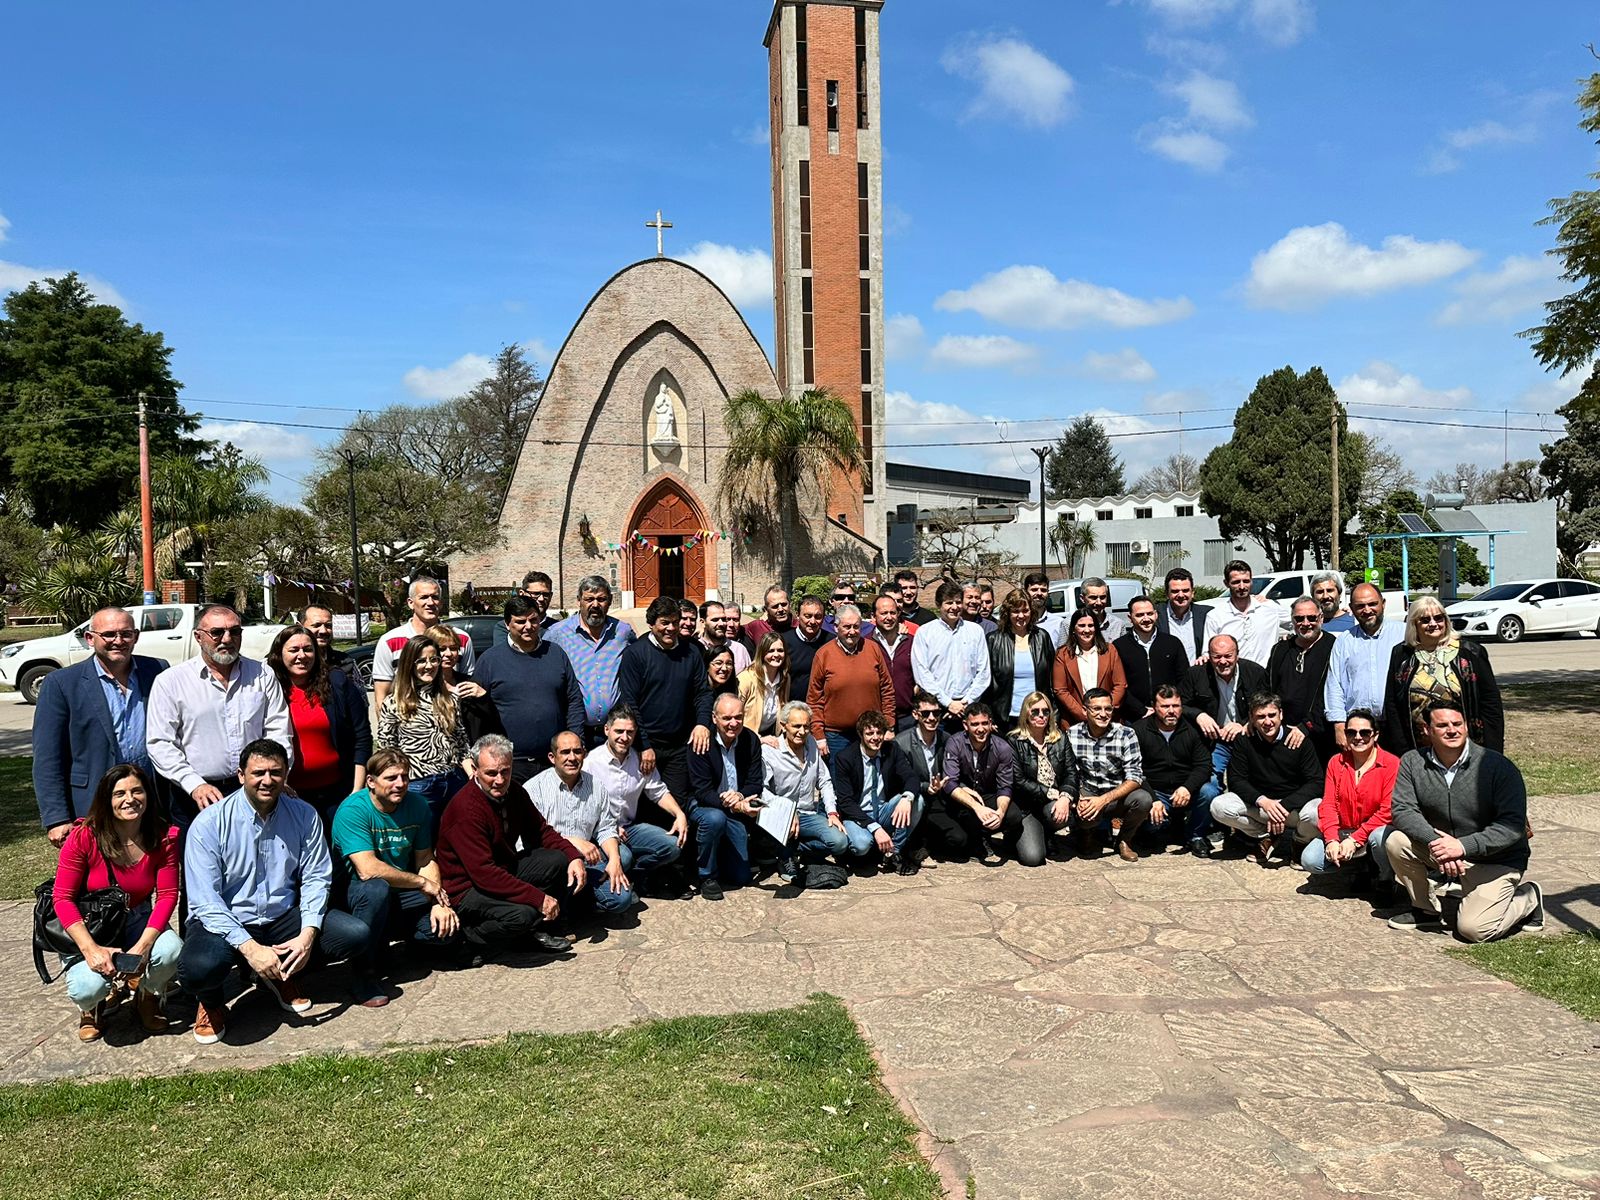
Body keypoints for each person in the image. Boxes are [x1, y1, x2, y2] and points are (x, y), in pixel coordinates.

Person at [179, 739, 369, 1044]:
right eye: (258, 773)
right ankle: (211, 1001)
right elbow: (205, 902)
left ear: (286, 773)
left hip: (281, 916)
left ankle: (282, 975)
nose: (267, 780)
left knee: (353, 934)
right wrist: (250, 949)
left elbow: (316, 878)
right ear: (241, 775)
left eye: (276, 772)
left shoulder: (304, 815)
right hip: (227, 920)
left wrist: (307, 935)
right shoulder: (209, 823)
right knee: (199, 968)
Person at [1385, 702, 1543, 940]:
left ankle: (1528, 897)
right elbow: (1403, 810)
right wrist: (1437, 844)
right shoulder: (1412, 762)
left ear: (1467, 727)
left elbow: (1511, 826)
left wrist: (1461, 846)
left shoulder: (1498, 767)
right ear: (1427, 730)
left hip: (1495, 860)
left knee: (1474, 930)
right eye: (1442, 725)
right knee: (1396, 840)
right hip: (1443, 850)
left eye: (1457, 724)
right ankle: (1425, 909)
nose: (1452, 730)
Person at [52, 765, 180, 1041]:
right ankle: (91, 1007)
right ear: (106, 800)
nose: (129, 799)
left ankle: (146, 996)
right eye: (119, 793)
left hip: (137, 916)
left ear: (148, 794)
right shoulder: (84, 837)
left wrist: (143, 947)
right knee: (87, 987)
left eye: (137, 791)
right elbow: (62, 898)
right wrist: (90, 950)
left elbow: (168, 895)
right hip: (91, 924)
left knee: (171, 951)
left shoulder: (162, 836)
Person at [433, 734, 585, 955]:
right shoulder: (466, 809)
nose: (500, 780)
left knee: (557, 860)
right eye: (491, 773)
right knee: (524, 914)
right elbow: (483, 874)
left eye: (505, 771)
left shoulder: (514, 792)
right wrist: (537, 898)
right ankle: (469, 939)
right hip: (467, 887)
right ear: (475, 769)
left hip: (502, 868)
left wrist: (573, 856)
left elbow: (541, 831)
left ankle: (526, 934)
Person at [331, 749, 459, 1007]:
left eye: (404, 777)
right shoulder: (353, 811)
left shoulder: (417, 805)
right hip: (356, 893)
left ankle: (401, 946)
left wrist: (438, 903)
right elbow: (367, 869)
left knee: (446, 930)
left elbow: (425, 858)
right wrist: (423, 883)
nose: (400, 784)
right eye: (390, 778)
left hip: (400, 892)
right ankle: (363, 973)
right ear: (371, 781)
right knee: (376, 888)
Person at [147, 604, 292, 831]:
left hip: (254, 791)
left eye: (235, 632)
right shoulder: (171, 681)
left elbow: (278, 730)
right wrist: (194, 785)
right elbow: (161, 743)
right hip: (195, 796)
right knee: (201, 865)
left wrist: (275, 774)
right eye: (217, 632)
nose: (227, 639)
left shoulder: (262, 674)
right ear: (198, 636)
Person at [34, 605, 167, 845]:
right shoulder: (62, 684)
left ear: (135, 637)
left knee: (148, 875)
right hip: (92, 802)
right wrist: (56, 818)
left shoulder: (157, 671)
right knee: (97, 879)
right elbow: (48, 757)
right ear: (90, 638)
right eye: (109, 634)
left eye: (126, 634)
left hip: (149, 800)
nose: (118, 641)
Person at [472, 595, 585, 785]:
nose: (528, 626)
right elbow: (476, 712)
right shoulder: (490, 660)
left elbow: (573, 699)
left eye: (533, 620)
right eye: (520, 621)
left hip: (552, 762)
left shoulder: (555, 653)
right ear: (508, 624)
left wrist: (575, 742)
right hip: (508, 765)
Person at [267, 624, 371, 826]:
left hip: (338, 792)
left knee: (339, 852)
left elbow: (362, 736)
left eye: (307, 649)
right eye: (293, 650)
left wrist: (356, 791)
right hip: (288, 795)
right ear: (279, 654)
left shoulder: (337, 682)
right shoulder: (269, 689)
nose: (302, 655)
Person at [618, 595, 713, 806]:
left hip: (679, 747)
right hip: (644, 746)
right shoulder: (636, 654)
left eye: (675, 622)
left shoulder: (691, 652)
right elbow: (630, 703)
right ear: (651, 624)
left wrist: (701, 724)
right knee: (641, 805)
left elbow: (703, 693)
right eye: (664, 623)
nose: (671, 628)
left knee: (675, 805)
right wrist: (644, 745)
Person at [583, 704, 687, 897]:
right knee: (624, 857)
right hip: (601, 832)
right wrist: (607, 828)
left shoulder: (639, 760)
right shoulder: (591, 763)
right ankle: (615, 880)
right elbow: (581, 807)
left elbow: (658, 791)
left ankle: (635, 879)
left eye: (630, 732)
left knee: (672, 846)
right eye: (619, 731)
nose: (624, 737)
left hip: (630, 828)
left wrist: (679, 814)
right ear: (607, 730)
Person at [1381, 596, 1504, 756]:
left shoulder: (1471, 653)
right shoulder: (1401, 654)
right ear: (1414, 624)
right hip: (1419, 749)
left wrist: (1493, 752)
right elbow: (1392, 704)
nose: (1433, 624)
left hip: (1467, 745)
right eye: (1425, 620)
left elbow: (1491, 703)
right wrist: (1403, 750)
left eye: (1438, 618)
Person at [526, 731, 632, 916]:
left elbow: (606, 828)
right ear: (552, 757)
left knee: (621, 900)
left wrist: (614, 860)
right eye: (565, 752)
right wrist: (572, 842)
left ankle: (581, 904)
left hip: (587, 862)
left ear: (584, 753)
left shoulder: (596, 786)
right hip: (553, 865)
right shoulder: (534, 790)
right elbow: (529, 838)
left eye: (577, 751)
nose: (572, 758)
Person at [1210, 692, 1322, 865]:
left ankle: (1299, 842)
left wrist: (1284, 805)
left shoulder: (1299, 740)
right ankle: (1267, 835)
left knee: (1317, 812)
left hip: (1292, 808)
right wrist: (1263, 801)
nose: (1267, 722)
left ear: (1281, 714)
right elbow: (1236, 780)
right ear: (1251, 718)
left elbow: (1316, 782)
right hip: (1262, 807)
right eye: (1260, 717)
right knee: (1219, 806)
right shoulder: (1244, 740)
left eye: (1272, 715)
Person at [374, 635, 469, 828]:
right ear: (410, 663)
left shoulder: (449, 699)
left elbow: (461, 742)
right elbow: (387, 749)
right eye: (421, 661)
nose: (429, 666)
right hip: (419, 784)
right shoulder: (394, 703)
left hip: (453, 780)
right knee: (423, 843)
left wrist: (471, 775)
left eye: (434, 659)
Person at [686, 692, 768, 898]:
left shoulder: (750, 740)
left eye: (738, 717)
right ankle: (706, 875)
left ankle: (719, 855)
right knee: (715, 819)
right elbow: (702, 791)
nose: (733, 723)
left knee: (740, 877)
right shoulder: (700, 742)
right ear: (714, 718)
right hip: (704, 805)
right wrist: (733, 805)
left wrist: (740, 796)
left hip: (734, 806)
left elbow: (754, 781)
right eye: (727, 718)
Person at [1302, 708, 1397, 883]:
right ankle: (1361, 867)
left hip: (1374, 832)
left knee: (1378, 837)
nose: (1358, 737)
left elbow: (1387, 811)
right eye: (1351, 732)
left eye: (1365, 732)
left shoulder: (1391, 764)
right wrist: (1331, 839)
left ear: (1375, 735)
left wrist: (1355, 840)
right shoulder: (1335, 762)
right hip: (1344, 831)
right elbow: (1329, 804)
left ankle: (1385, 878)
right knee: (1310, 861)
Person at [763, 700, 848, 884]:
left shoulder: (810, 744)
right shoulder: (770, 752)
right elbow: (762, 790)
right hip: (780, 816)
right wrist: (785, 809)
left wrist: (832, 812)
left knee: (840, 842)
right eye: (796, 726)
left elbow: (824, 780)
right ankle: (784, 856)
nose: (802, 731)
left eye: (806, 726)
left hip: (807, 813)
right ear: (784, 726)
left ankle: (797, 850)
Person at [547, 575, 637, 747]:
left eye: (601, 599)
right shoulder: (558, 633)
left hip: (615, 732)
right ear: (579, 600)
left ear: (610, 601)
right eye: (589, 599)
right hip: (576, 731)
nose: (595, 605)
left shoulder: (623, 632)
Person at [1066, 689, 1153, 861]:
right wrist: (1081, 797)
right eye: (1096, 709)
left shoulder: (1126, 734)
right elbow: (1069, 773)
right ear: (1085, 711)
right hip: (1088, 792)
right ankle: (1086, 833)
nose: (1103, 714)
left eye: (1108, 709)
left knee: (1144, 800)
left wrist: (1104, 800)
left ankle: (1124, 840)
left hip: (1117, 795)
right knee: (1083, 807)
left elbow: (1135, 776)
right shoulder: (1072, 734)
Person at [833, 709, 924, 872]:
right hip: (857, 815)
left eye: (879, 732)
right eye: (869, 733)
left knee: (917, 800)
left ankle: (894, 853)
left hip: (883, 809)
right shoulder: (845, 757)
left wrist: (906, 798)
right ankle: (866, 850)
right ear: (861, 734)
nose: (875, 737)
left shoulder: (892, 749)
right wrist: (875, 828)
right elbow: (845, 802)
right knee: (861, 845)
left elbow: (911, 777)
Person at [1135, 686, 1219, 856]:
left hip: (1185, 790)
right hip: (1156, 791)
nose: (1171, 711)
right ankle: (1150, 830)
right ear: (1154, 707)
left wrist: (1188, 787)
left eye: (1176, 706)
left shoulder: (1193, 730)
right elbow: (1134, 769)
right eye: (1165, 707)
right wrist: (1153, 798)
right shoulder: (1139, 730)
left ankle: (1196, 836)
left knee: (1210, 790)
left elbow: (1204, 765)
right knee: (1152, 820)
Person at [1179, 633, 1267, 795]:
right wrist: (1199, 715)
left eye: (1228, 656)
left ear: (1237, 655)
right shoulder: (1196, 674)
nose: (1223, 661)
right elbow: (1180, 705)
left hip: (1249, 738)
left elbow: (1268, 706)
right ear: (1209, 656)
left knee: (1249, 783)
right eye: (1217, 657)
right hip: (1213, 741)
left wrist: (1245, 723)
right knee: (1209, 785)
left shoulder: (1255, 673)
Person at [808, 603, 896, 763]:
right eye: (847, 627)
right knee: (841, 784)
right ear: (836, 627)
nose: (852, 632)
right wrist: (819, 735)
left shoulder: (873, 649)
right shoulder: (823, 655)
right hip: (837, 736)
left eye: (856, 627)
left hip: (872, 731)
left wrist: (888, 724)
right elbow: (814, 699)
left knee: (872, 782)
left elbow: (887, 689)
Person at [1324, 582, 1407, 753]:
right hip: (1359, 730)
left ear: (1383, 604)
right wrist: (1339, 725)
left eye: (1372, 604)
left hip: (1397, 726)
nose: (1367, 610)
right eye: (1360, 606)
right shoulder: (1344, 641)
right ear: (1352, 609)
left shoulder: (1404, 634)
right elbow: (1334, 685)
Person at [372, 578, 474, 711]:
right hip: (409, 724)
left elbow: (468, 685)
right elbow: (381, 696)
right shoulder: (390, 641)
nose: (430, 603)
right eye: (424, 597)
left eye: (435, 597)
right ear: (410, 603)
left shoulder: (461, 638)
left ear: (441, 603)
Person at [940, 703, 1021, 864]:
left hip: (987, 793)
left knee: (1013, 816)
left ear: (991, 723)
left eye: (984, 723)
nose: (981, 729)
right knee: (967, 818)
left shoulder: (1002, 747)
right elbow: (950, 784)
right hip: (963, 796)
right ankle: (975, 838)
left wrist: (1000, 813)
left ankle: (1000, 837)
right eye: (975, 724)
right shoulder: (954, 743)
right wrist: (978, 808)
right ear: (965, 725)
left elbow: (1005, 786)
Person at [1007, 689, 1078, 867]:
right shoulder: (1014, 740)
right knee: (1033, 858)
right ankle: (1018, 834)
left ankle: (1047, 833)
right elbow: (1018, 780)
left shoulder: (1060, 738)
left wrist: (1065, 797)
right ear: (1026, 713)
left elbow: (1071, 773)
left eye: (1046, 711)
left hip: (1052, 803)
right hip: (1027, 807)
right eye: (1035, 711)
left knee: (1067, 814)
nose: (1041, 716)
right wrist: (1050, 792)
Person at [911, 581, 991, 729]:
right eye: (949, 603)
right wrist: (948, 702)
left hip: (968, 710)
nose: (954, 607)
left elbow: (983, 672)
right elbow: (922, 673)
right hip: (936, 710)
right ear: (938, 604)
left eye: (958, 602)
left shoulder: (975, 631)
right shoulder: (925, 633)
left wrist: (966, 702)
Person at [1266, 597, 1335, 763]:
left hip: (1318, 734)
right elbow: (1268, 687)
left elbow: (1333, 694)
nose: (1306, 623)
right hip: (1282, 732)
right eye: (1299, 618)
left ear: (1321, 618)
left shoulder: (1333, 648)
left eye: (1311, 618)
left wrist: (1306, 726)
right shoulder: (1280, 649)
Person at [897, 689, 953, 861]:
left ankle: (929, 842)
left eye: (936, 713)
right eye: (925, 713)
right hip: (914, 797)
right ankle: (912, 846)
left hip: (940, 798)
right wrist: (925, 787)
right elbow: (898, 781)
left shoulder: (947, 739)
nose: (931, 718)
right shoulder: (901, 743)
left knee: (957, 841)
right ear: (915, 714)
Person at [986, 588, 1056, 726]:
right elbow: (987, 683)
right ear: (1007, 613)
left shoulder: (1042, 637)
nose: (1021, 616)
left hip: (1037, 716)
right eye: (1016, 611)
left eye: (1025, 611)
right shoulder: (994, 640)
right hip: (1006, 718)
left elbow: (1052, 680)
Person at [1113, 596, 1187, 724]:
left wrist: (1168, 705)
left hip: (1168, 713)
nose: (1146, 619)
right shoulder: (1119, 646)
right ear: (1130, 618)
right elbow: (1119, 684)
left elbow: (1183, 679)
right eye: (1140, 615)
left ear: (1156, 614)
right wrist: (1141, 710)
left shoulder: (1172, 643)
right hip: (1134, 717)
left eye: (1150, 613)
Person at [1052, 608, 1128, 727]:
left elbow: (1120, 685)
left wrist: (1104, 710)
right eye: (1082, 626)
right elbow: (1060, 689)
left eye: (1091, 625)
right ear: (1073, 629)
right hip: (1075, 721)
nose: (1087, 630)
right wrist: (1083, 714)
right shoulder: (1063, 654)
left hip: (1107, 720)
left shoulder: (1110, 650)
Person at [427, 623, 498, 745]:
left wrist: (483, 698)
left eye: (453, 648)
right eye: (442, 649)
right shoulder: (421, 687)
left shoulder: (471, 684)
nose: (448, 654)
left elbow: (492, 723)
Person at [1207, 560, 1282, 668]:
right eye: (1236, 582)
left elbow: (1304, 619)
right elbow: (1208, 652)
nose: (1242, 587)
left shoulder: (1271, 609)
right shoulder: (1215, 616)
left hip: (1265, 676)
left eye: (1246, 581)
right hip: (1234, 678)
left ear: (1251, 581)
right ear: (1226, 583)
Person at [868, 592, 918, 729]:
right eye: (884, 613)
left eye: (893, 613)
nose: (889, 617)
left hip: (907, 718)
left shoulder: (911, 642)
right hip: (874, 718)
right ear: (873, 616)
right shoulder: (865, 644)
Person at [737, 632, 790, 740]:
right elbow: (735, 717)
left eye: (780, 650)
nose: (776, 655)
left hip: (771, 737)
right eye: (770, 651)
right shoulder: (746, 679)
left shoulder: (785, 679)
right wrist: (759, 740)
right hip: (745, 738)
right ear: (762, 653)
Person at [782, 595, 835, 702]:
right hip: (792, 708)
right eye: (808, 616)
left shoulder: (832, 643)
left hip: (822, 707)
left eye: (818, 616)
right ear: (797, 615)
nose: (813, 621)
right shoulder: (784, 642)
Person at [1156, 567, 1210, 663]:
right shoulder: (1156, 615)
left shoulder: (1207, 615)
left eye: (1185, 590)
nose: (1181, 595)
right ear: (1167, 594)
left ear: (1192, 593)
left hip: (1197, 675)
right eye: (1175, 591)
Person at [698, 600, 752, 672]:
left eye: (723, 619)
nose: (721, 623)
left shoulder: (740, 650)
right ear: (703, 622)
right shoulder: (696, 649)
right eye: (715, 620)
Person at [299, 604, 352, 673]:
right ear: (299, 627)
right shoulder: (288, 663)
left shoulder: (345, 662)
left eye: (328, 625)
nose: (323, 631)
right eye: (316, 625)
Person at [1022, 570, 1068, 647]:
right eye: (1034, 590)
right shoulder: (1019, 622)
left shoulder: (1059, 623)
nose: (1039, 593)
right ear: (1025, 592)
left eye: (1043, 590)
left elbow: (1063, 655)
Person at [1080, 578, 1128, 642]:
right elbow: (1064, 650)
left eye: (1102, 597)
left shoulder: (1118, 624)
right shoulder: (1069, 624)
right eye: (1093, 598)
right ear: (1082, 599)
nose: (1099, 602)